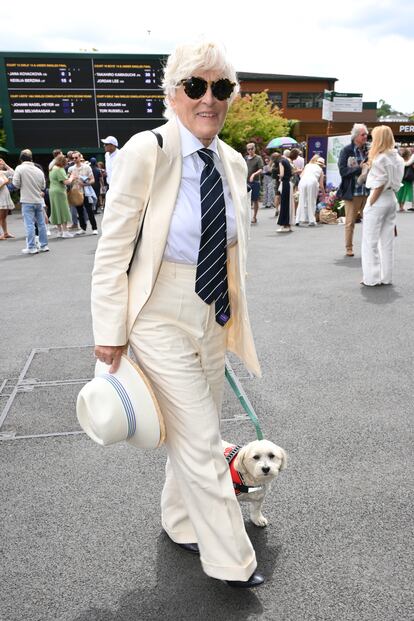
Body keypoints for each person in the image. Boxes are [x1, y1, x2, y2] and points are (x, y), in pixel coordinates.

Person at [92, 40, 264, 589]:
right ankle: (232, 562)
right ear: (173, 94)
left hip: (211, 312)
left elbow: (232, 247)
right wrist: (109, 332)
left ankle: (180, 520)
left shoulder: (232, 162)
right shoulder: (149, 151)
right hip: (157, 312)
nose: (209, 98)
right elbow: (113, 248)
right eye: (196, 86)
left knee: (199, 428)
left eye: (221, 88)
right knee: (200, 440)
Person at [361, 126, 404, 287]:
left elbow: (379, 184)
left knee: (370, 240)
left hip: (378, 199)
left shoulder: (380, 158)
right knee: (387, 240)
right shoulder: (398, 158)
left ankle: (372, 278)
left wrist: (370, 203)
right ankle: (386, 276)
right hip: (391, 198)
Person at [337, 124, 369, 257]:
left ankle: (368, 248)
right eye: (363, 134)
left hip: (367, 191)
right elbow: (343, 171)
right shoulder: (347, 150)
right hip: (352, 192)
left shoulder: (368, 150)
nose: (366, 137)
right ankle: (348, 248)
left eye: (366, 134)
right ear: (355, 136)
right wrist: (359, 168)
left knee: (369, 221)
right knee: (350, 222)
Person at [12, 149, 49, 255]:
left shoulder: (20, 168)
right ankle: (44, 245)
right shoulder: (38, 170)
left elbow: (16, 184)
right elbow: (43, 186)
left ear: (21, 159)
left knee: (29, 225)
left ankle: (32, 247)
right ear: (31, 158)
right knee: (41, 224)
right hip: (38, 200)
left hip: (27, 200)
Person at [68, 152, 98, 235]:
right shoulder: (71, 169)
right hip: (76, 192)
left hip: (86, 192)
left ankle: (94, 228)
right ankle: (83, 228)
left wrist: (85, 184)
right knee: (79, 211)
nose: (74, 159)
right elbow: (69, 181)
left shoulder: (87, 167)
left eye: (76, 158)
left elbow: (92, 180)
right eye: (73, 158)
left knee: (89, 210)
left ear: (80, 157)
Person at [49, 155, 75, 238]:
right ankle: (65, 231)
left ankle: (59, 231)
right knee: (63, 210)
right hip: (59, 191)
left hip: (52, 190)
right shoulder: (60, 169)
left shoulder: (52, 168)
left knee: (56, 210)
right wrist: (72, 177)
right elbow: (66, 182)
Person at [295, 156, 325, 226]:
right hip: (312, 181)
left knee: (302, 200)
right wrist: (324, 194)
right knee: (311, 201)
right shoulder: (320, 170)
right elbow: (321, 185)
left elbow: (301, 175)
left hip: (303, 181)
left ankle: (298, 219)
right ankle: (311, 220)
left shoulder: (308, 165)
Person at [245, 142, 263, 224]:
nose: (250, 150)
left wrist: (254, 174)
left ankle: (254, 217)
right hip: (245, 182)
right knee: (246, 200)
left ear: (254, 149)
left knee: (255, 200)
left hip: (255, 181)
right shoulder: (245, 158)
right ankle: (246, 216)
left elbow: (261, 169)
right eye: (248, 149)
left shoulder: (258, 158)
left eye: (252, 149)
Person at [276, 152, 294, 232]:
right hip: (289, 184)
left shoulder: (281, 162)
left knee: (283, 204)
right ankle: (288, 225)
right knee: (289, 204)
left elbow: (282, 174)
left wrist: (279, 177)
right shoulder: (287, 161)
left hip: (285, 184)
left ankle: (283, 225)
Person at [0, 159, 15, 240]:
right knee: (0, 217)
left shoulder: (1, 172)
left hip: (5, 196)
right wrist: (5, 182)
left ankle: (5, 233)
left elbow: (13, 173)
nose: (1, 165)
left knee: (4, 217)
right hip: (1, 198)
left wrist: (5, 164)